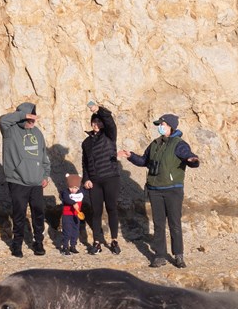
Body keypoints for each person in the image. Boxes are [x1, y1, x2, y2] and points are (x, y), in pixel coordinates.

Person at [121, 112, 200, 268]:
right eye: (159, 125)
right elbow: (144, 160)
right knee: (158, 224)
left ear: (170, 126)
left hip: (173, 190)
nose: (160, 127)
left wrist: (193, 161)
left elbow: (188, 156)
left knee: (174, 224)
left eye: (162, 125)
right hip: (155, 189)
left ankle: (178, 256)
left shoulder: (179, 144)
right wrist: (130, 156)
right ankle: (160, 256)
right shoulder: (155, 144)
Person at [0, 102, 51, 257]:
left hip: (36, 181)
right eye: (30, 119)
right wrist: (24, 115)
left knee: (38, 213)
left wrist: (45, 175)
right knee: (19, 214)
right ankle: (17, 245)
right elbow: (2, 119)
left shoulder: (38, 133)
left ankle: (38, 243)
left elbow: (43, 156)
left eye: (34, 119)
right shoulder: (10, 131)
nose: (32, 122)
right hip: (18, 181)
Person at [81, 103, 122, 255]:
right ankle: (97, 242)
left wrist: (99, 110)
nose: (96, 124)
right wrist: (86, 179)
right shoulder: (86, 143)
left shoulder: (109, 135)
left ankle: (114, 240)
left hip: (111, 178)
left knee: (111, 208)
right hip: (95, 181)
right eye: (94, 122)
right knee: (96, 211)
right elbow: (84, 162)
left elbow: (110, 121)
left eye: (98, 122)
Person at [58, 173, 85, 255]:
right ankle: (65, 247)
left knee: (75, 231)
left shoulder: (80, 193)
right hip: (67, 215)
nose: (73, 190)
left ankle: (73, 246)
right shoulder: (65, 193)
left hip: (76, 215)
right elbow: (66, 199)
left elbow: (85, 192)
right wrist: (73, 203)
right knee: (67, 231)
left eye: (75, 188)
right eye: (71, 187)